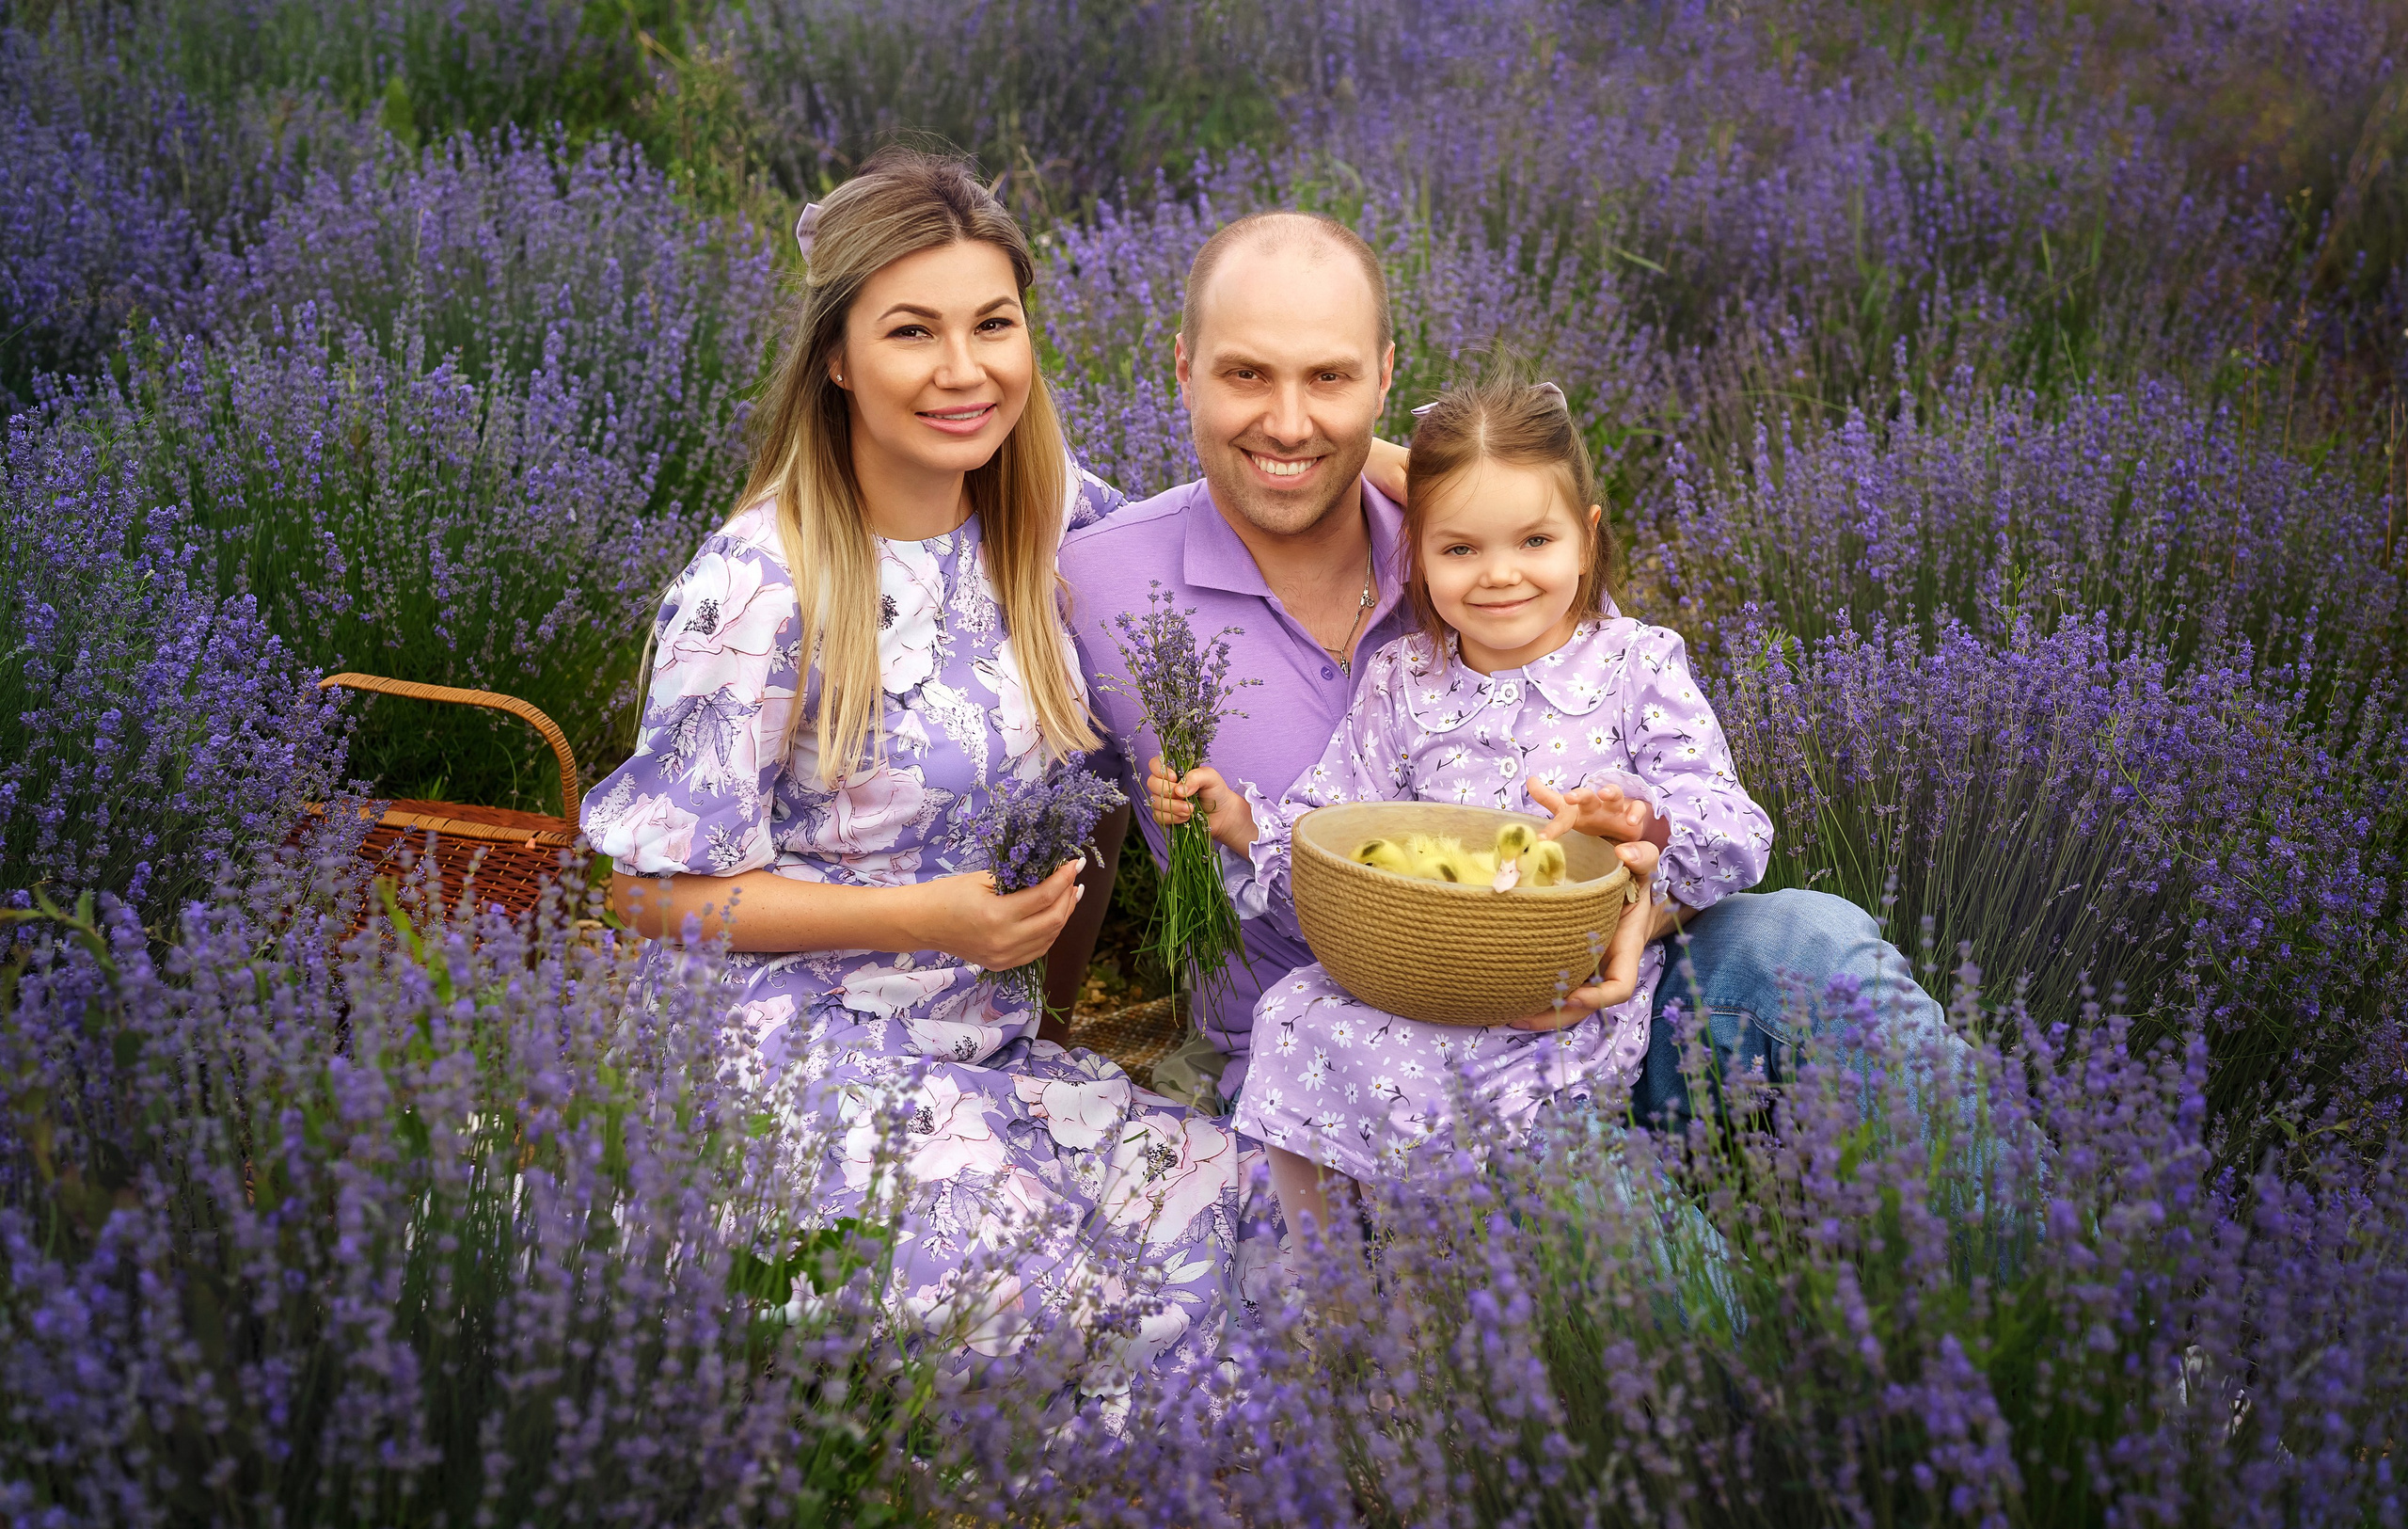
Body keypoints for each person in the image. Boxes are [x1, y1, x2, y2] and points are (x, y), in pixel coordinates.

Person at [1054, 211, 1969, 1143]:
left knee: (1815, 946)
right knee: (1628, 1274)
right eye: (1245, 373)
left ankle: (2049, 1267)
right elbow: (1051, 829)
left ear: (1383, 376)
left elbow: (1655, 755)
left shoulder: (1475, 541)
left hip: (1609, 1004)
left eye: (1328, 376)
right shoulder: (1095, 586)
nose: (1288, 421)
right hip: (1363, 1066)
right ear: (1181, 369)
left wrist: (1644, 907)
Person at [581, 149, 1241, 1383]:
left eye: (993, 322)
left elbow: (1231, 531)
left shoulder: (1053, 520)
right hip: (785, 1061)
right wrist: (921, 918)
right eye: (911, 330)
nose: (962, 368)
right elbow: (644, 894)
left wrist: (1383, 456)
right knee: (1058, 1314)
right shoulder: (759, 583)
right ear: (837, 357)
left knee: (1243, 1212)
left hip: (977, 1049)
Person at [1146, 376, 1773, 1238]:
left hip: (1556, 984)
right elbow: (1337, 830)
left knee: (1510, 1132)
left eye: (1535, 540)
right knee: (1291, 1013)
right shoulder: (1404, 682)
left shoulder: (1636, 664)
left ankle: (1477, 1266)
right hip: (1427, 975)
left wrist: (1646, 824)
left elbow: (1732, 826)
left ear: (1586, 542)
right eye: (1461, 549)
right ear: (1418, 559)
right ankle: (1330, 1284)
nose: (1500, 575)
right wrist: (1244, 823)